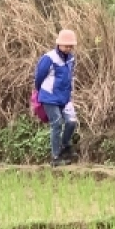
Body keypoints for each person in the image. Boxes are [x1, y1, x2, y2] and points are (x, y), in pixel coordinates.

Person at [34, 29, 79, 167]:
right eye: (66, 45)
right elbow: (38, 77)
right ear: (59, 44)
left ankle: (65, 146)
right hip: (49, 97)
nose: (68, 48)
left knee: (71, 122)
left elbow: (69, 77)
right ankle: (55, 157)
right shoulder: (49, 58)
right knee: (57, 124)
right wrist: (40, 92)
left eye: (70, 46)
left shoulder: (71, 59)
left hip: (64, 97)